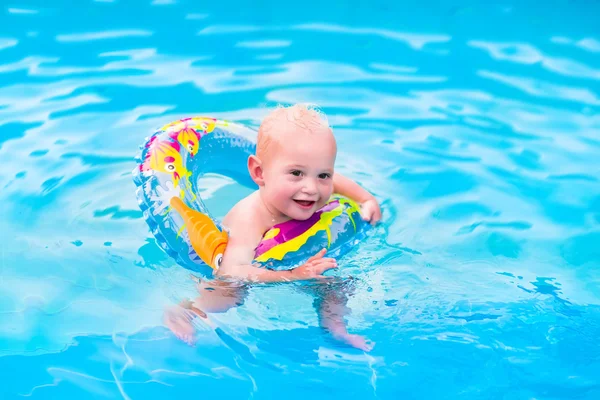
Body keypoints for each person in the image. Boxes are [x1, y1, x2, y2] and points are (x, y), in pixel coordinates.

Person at [165, 104, 382, 351]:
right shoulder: (250, 218)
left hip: (300, 262)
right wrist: (291, 276)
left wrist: (366, 200)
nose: (312, 188)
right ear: (259, 172)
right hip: (239, 270)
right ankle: (185, 312)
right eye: (296, 173)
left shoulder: (316, 184)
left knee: (337, 284)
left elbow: (338, 182)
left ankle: (335, 327)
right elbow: (231, 271)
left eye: (323, 175)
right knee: (230, 294)